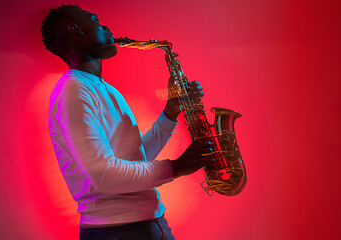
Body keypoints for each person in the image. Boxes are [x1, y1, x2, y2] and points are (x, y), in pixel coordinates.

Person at [41, 4, 214, 240]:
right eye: (96, 20)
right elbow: (105, 176)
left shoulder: (103, 89)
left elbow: (136, 158)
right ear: (75, 29)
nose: (107, 27)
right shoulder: (73, 90)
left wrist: (170, 112)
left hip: (149, 224)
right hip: (118, 231)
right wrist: (178, 166)